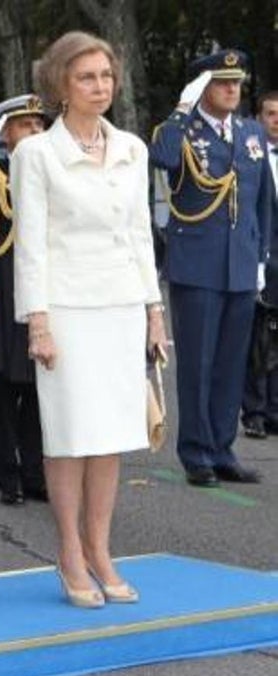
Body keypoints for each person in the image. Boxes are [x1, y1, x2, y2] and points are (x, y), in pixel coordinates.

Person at [12, 31, 167, 608]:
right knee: (70, 436)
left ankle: (101, 550)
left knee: (110, 439)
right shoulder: (36, 154)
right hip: (67, 310)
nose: (99, 86)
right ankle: (70, 553)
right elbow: (30, 246)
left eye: (106, 75)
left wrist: (154, 312)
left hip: (122, 306)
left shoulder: (132, 148)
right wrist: (39, 322)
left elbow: (139, 237)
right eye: (86, 77)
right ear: (60, 84)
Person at [149, 50, 272, 486]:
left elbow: (263, 204)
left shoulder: (251, 132)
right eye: (221, 82)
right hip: (197, 265)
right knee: (198, 364)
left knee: (230, 363)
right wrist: (182, 108)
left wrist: (262, 258)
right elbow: (161, 158)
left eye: (236, 82)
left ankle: (222, 449)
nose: (232, 89)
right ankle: (196, 453)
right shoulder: (182, 132)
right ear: (201, 88)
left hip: (240, 265)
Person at [0, 95, 48, 506]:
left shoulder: (48, 172)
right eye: (25, 125)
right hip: (5, 287)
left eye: (40, 126)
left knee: (41, 387)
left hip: (40, 287)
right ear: (6, 131)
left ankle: (37, 473)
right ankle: (9, 477)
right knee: (6, 387)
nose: (35, 133)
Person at [240, 90, 278, 439]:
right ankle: (254, 411)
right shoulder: (249, 155)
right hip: (263, 257)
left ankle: (275, 409)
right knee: (258, 341)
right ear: (258, 117)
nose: (276, 120)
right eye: (270, 113)